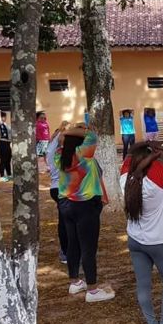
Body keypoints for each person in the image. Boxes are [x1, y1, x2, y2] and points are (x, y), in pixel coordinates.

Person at [121, 141, 163, 324]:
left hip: (135, 241)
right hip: (160, 241)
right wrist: (158, 151)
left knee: (143, 285)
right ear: (151, 163)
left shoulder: (124, 180)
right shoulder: (154, 185)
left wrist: (146, 146)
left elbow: (130, 153)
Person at [55, 123, 114, 303]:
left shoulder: (60, 155)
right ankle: (93, 291)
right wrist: (80, 127)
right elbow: (92, 134)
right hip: (85, 205)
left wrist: (68, 131)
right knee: (89, 247)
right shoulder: (84, 154)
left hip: (65, 204)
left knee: (73, 244)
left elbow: (60, 138)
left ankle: (75, 281)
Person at [47, 120, 71, 264]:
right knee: (66, 222)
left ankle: (66, 250)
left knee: (64, 220)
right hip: (63, 188)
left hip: (55, 187)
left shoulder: (51, 147)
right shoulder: (62, 152)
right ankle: (66, 251)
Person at [0, 109, 12, 182]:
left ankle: (9, 175)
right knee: (3, 160)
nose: (4, 118)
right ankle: (2, 176)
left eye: (5, 116)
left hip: (7, 144)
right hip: (2, 143)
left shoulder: (5, 125)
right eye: (3, 116)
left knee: (8, 160)